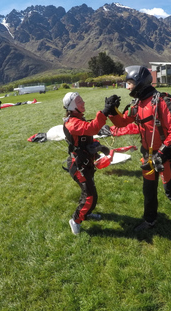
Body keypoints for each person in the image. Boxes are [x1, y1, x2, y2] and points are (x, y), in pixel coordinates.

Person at [108, 65, 171, 235]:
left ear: (139, 82)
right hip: (147, 156)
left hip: (165, 156)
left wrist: (161, 154)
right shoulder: (137, 103)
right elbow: (123, 122)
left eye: (129, 83)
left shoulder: (162, 101)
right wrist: (110, 111)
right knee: (148, 190)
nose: (127, 87)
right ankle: (150, 220)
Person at [63, 92, 118, 235]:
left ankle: (86, 214)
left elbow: (86, 137)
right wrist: (104, 112)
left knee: (91, 193)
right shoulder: (72, 123)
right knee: (89, 196)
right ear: (73, 106)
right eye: (80, 101)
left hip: (86, 163)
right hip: (78, 166)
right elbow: (91, 128)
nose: (84, 102)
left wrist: (99, 147)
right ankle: (75, 220)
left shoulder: (78, 120)